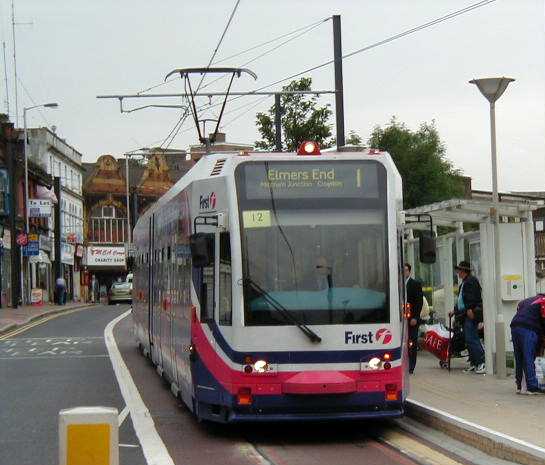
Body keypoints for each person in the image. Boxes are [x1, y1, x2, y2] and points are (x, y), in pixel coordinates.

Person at [450, 261, 485, 374]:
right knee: (469, 339)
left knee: (472, 338)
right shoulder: (464, 283)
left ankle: (481, 362)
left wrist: (470, 309)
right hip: (465, 314)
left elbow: (472, 297)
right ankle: (474, 363)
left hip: (470, 314)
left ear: (464, 271)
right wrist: (454, 311)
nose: (458, 273)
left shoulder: (471, 281)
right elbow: (461, 301)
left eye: (459, 270)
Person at [510, 294, 545, 394]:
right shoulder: (543, 301)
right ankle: (532, 386)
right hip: (528, 328)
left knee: (519, 357)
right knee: (529, 356)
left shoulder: (527, 300)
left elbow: (519, 308)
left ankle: (520, 385)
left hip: (515, 326)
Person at [404, 263, 423, 374]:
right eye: (402, 270)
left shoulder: (415, 284)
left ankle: (411, 366)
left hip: (412, 319)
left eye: (406, 270)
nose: (404, 272)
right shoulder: (397, 284)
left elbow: (419, 302)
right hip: (402, 319)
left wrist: (415, 317)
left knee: (412, 341)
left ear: (409, 271)